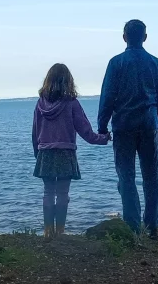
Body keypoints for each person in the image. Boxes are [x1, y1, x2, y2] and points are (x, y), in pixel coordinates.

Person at [98, 20, 158, 238]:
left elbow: (108, 96)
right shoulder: (156, 63)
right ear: (145, 37)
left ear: (124, 37)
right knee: (152, 178)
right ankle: (151, 227)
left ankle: (133, 226)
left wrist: (102, 125)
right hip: (149, 125)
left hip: (124, 125)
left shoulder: (116, 63)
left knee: (126, 177)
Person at [32, 63, 110, 239]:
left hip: (45, 153)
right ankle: (60, 231)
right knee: (62, 194)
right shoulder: (71, 104)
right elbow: (86, 132)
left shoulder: (40, 103)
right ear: (68, 81)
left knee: (48, 192)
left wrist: (38, 153)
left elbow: (35, 132)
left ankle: (47, 231)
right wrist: (104, 138)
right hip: (65, 152)